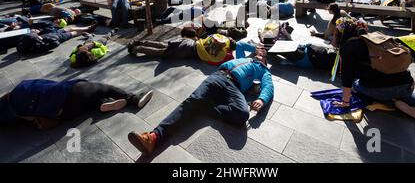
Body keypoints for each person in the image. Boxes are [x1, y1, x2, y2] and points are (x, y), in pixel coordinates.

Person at [127, 54, 274, 156]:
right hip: (218, 76)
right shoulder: (245, 58)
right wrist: (257, 47)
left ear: (264, 61)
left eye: (261, 56)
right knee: (192, 101)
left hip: (233, 87)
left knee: (242, 114)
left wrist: (262, 99)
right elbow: (241, 45)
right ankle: (153, 138)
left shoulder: (263, 70)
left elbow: (269, 87)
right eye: (257, 54)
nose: (258, 55)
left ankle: (207, 108)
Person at [331, 17, 415, 126]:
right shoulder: (376, 38)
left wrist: (345, 102)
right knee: (402, 91)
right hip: (406, 84)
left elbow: (347, 79)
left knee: (356, 84)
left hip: (379, 89)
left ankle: (394, 103)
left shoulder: (348, 47)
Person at [0, 79, 154, 129]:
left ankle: (100, 106)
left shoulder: (10, 118)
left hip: (63, 115)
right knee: (103, 88)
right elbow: (52, 84)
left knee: (86, 102)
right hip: (68, 94)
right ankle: (134, 99)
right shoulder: (22, 87)